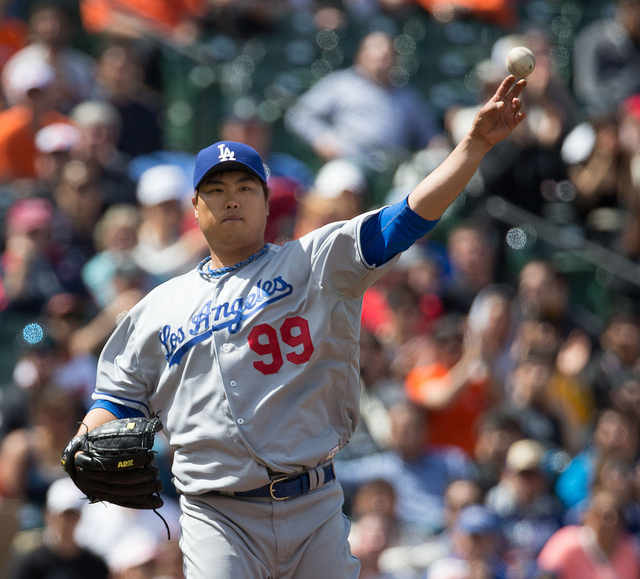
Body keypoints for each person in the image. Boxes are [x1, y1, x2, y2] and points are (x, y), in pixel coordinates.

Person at [64, 75, 527, 578]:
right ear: (194, 208)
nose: (232, 199)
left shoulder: (316, 261)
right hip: (217, 513)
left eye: (245, 186)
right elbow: (115, 399)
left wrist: (473, 146)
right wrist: (83, 441)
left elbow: (409, 217)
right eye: (215, 190)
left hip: (314, 504)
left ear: (267, 201)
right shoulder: (158, 307)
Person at [4, 477, 109, 579]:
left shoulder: (96, 566)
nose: (67, 523)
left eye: (73, 515)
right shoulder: (32, 564)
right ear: (48, 515)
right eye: (62, 515)